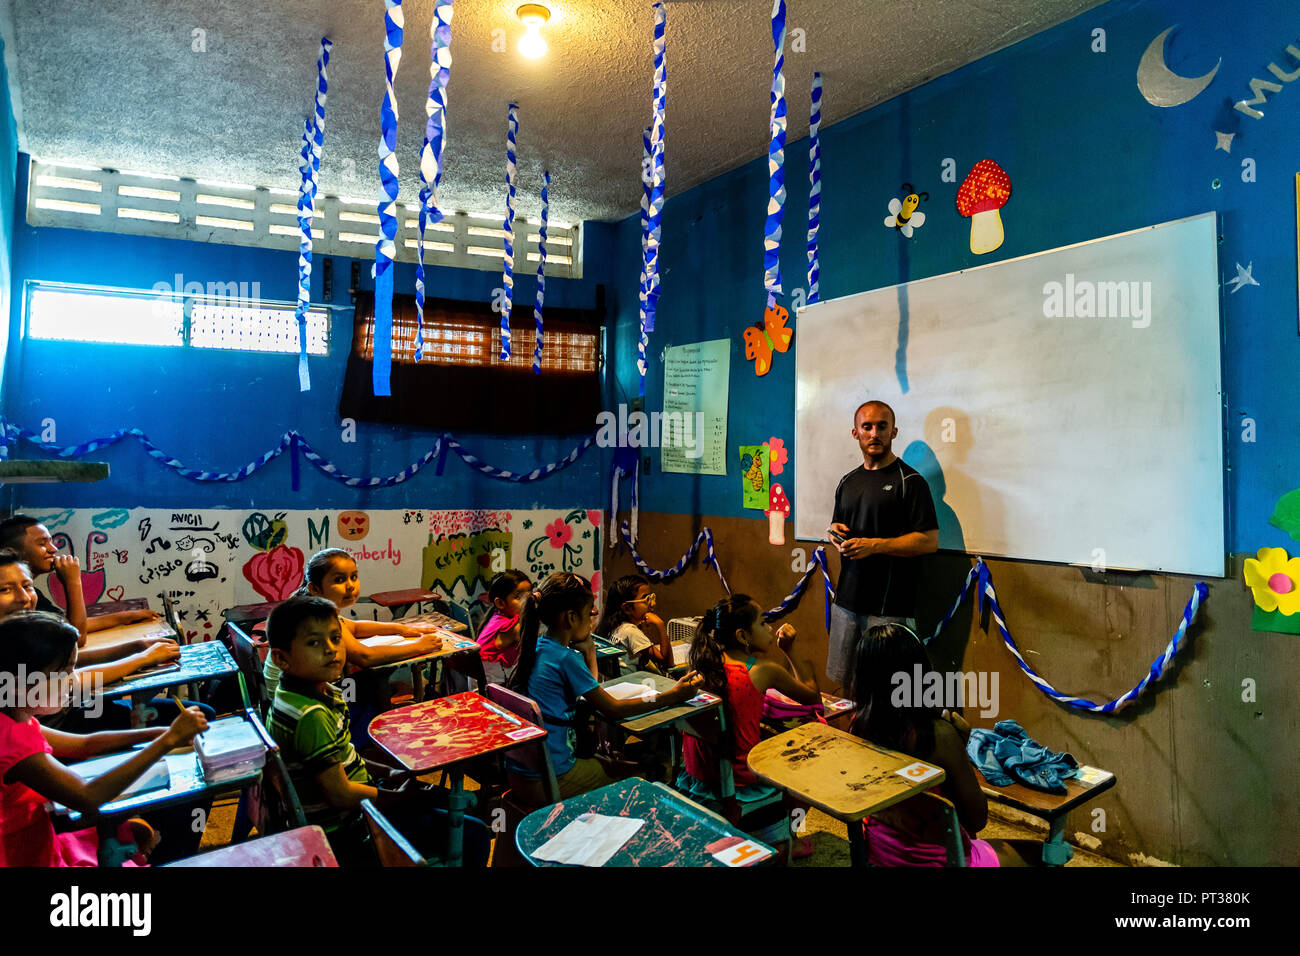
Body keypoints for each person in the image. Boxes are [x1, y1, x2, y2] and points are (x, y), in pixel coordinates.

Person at [264, 595, 490, 867]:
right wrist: (400, 799)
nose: (331, 650)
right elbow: (340, 795)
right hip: (345, 830)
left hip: (354, 804)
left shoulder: (298, 693)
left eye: (336, 639)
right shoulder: (311, 715)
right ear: (281, 658)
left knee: (441, 799)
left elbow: (345, 756)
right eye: (314, 643)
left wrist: (389, 773)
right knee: (473, 832)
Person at [0, 610, 208, 866]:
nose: (72, 681)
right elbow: (88, 797)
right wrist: (166, 741)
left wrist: (164, 733)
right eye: (63, 673)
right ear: (20, 683)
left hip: (35, 841)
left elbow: (86, 745)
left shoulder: (15, 716)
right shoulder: (12, 740)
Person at [847, 622, 1038, 866]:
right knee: (1042, 853)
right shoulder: (939, 736)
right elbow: (977, 820)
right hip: (939, 861)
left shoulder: (857, 729)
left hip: (882, 856)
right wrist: (962, 745)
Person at [508, 571, 701, 798]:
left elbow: (588, 693)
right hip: (549, 779)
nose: (593, 618)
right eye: (589, 612)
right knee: (642, 780)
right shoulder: (565, 658)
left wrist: (590, 652)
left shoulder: (540, 646)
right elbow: (613, 708)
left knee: (615, 764)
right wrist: (674, 695)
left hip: (522, 773)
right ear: (571, 618)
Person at [679, 594, 821, 857]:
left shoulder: (704, 664)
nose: (769, 629)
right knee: (810, 760)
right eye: (763, 623)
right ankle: (787, 834)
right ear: (743, 636)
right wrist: (790, 649)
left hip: (697, 779)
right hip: (743, 784)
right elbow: (812, 698)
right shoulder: (764, 670)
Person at [826, 401, 939, 686]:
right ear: (856, 433)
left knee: (888, 692)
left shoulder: (911, 482)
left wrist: (875, 546)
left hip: (890, 609)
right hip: (847, 602)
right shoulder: (847, 482)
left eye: (882, 426)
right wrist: (833, 534)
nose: (874, 433)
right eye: (867, 427)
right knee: (844, 687)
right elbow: (838, 526)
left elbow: (928, 541)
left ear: (894, 432)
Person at [262, 548, 444, 700]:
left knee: (365, 683)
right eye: (339, 580)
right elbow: (365, 657)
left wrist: (403, 628)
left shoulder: (314, 607)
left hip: (291, 695)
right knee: (370, 684)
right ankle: (363, 729)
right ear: (315, 588)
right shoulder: (315, 619)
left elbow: (355, 627)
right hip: (304, 702)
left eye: (354, 577)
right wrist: (419, 646)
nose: (350, 586)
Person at [0, 515, 161, 641]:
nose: (54, 549)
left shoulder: (34, 594)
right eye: (43, 544)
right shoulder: (22, 599)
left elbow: (67, 624)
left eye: (52, 542)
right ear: (11, 552)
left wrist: (125, 617)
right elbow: (76, 636)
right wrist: (72, 581)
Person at [595, 574, 672, 673]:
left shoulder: (613, 626)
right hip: (631, 684)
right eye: (645, 599)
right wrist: (660, 625)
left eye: (651, 597)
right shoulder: (631, 632)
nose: (652, 604)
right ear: (627, 608)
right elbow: (666, 662)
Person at [475, 569, 532, 685]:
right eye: (519, 597)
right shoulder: (513, 628)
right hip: (489, 693)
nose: (528, 600)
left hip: (492, 685)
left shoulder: (499, 616)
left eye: (530, 594)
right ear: (500, 603)